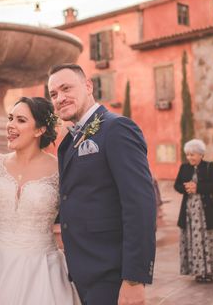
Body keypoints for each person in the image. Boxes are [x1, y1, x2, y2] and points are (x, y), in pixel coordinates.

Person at [48, 64, 156, 305]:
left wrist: (134, 279)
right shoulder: (68, 142)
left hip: (111, 274)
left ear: (88, 86)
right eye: (53, 94)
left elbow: (139, 205)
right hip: (81, 273)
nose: (60, 98)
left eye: (66, 88)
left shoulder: (117, 128)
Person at [0, 96, 81, 304]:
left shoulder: (60, 170)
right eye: (10, 118)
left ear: (40, 130)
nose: (10, 125)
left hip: (41, 269)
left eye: (20, 120)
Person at [174, 138, 213, 282]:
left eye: (192, 154)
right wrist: (186, 188)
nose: (190, 158)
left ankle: (212, 271)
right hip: (190, 213)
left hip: (208, 212)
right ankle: (199, 272)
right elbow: (177, 185)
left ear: (201, 154)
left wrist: (198, 187)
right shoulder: (184, 167)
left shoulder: (209, 166)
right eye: (188, 155)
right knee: (195, 241)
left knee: (210, 239)